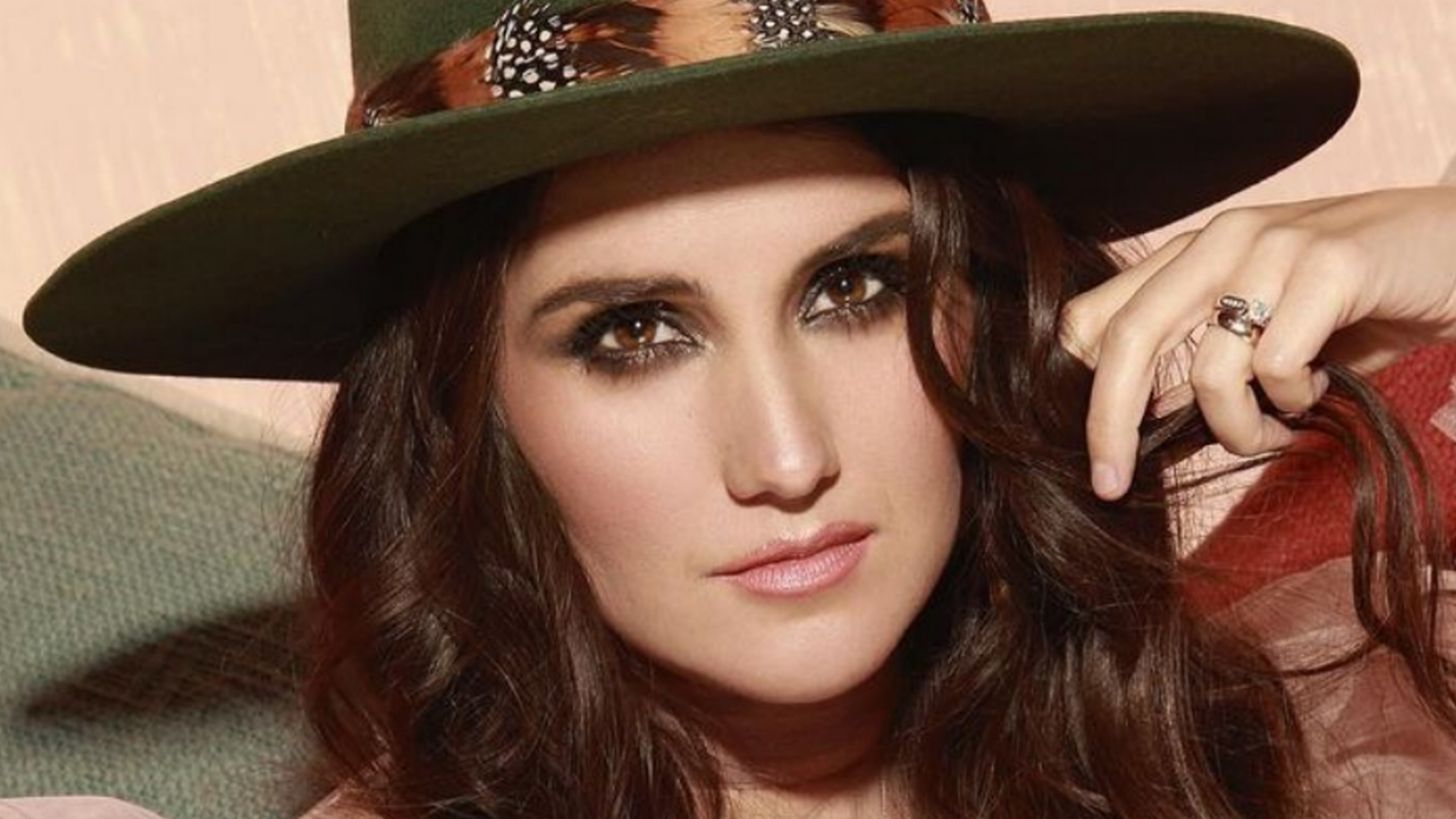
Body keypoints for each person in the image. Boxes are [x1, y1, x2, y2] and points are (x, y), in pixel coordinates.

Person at [14, 0, 1456, 817]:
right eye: (633, 334)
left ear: (992, 305)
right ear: (468, 420)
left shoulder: (1299, 732)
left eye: (857, 289)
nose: (787, 456)